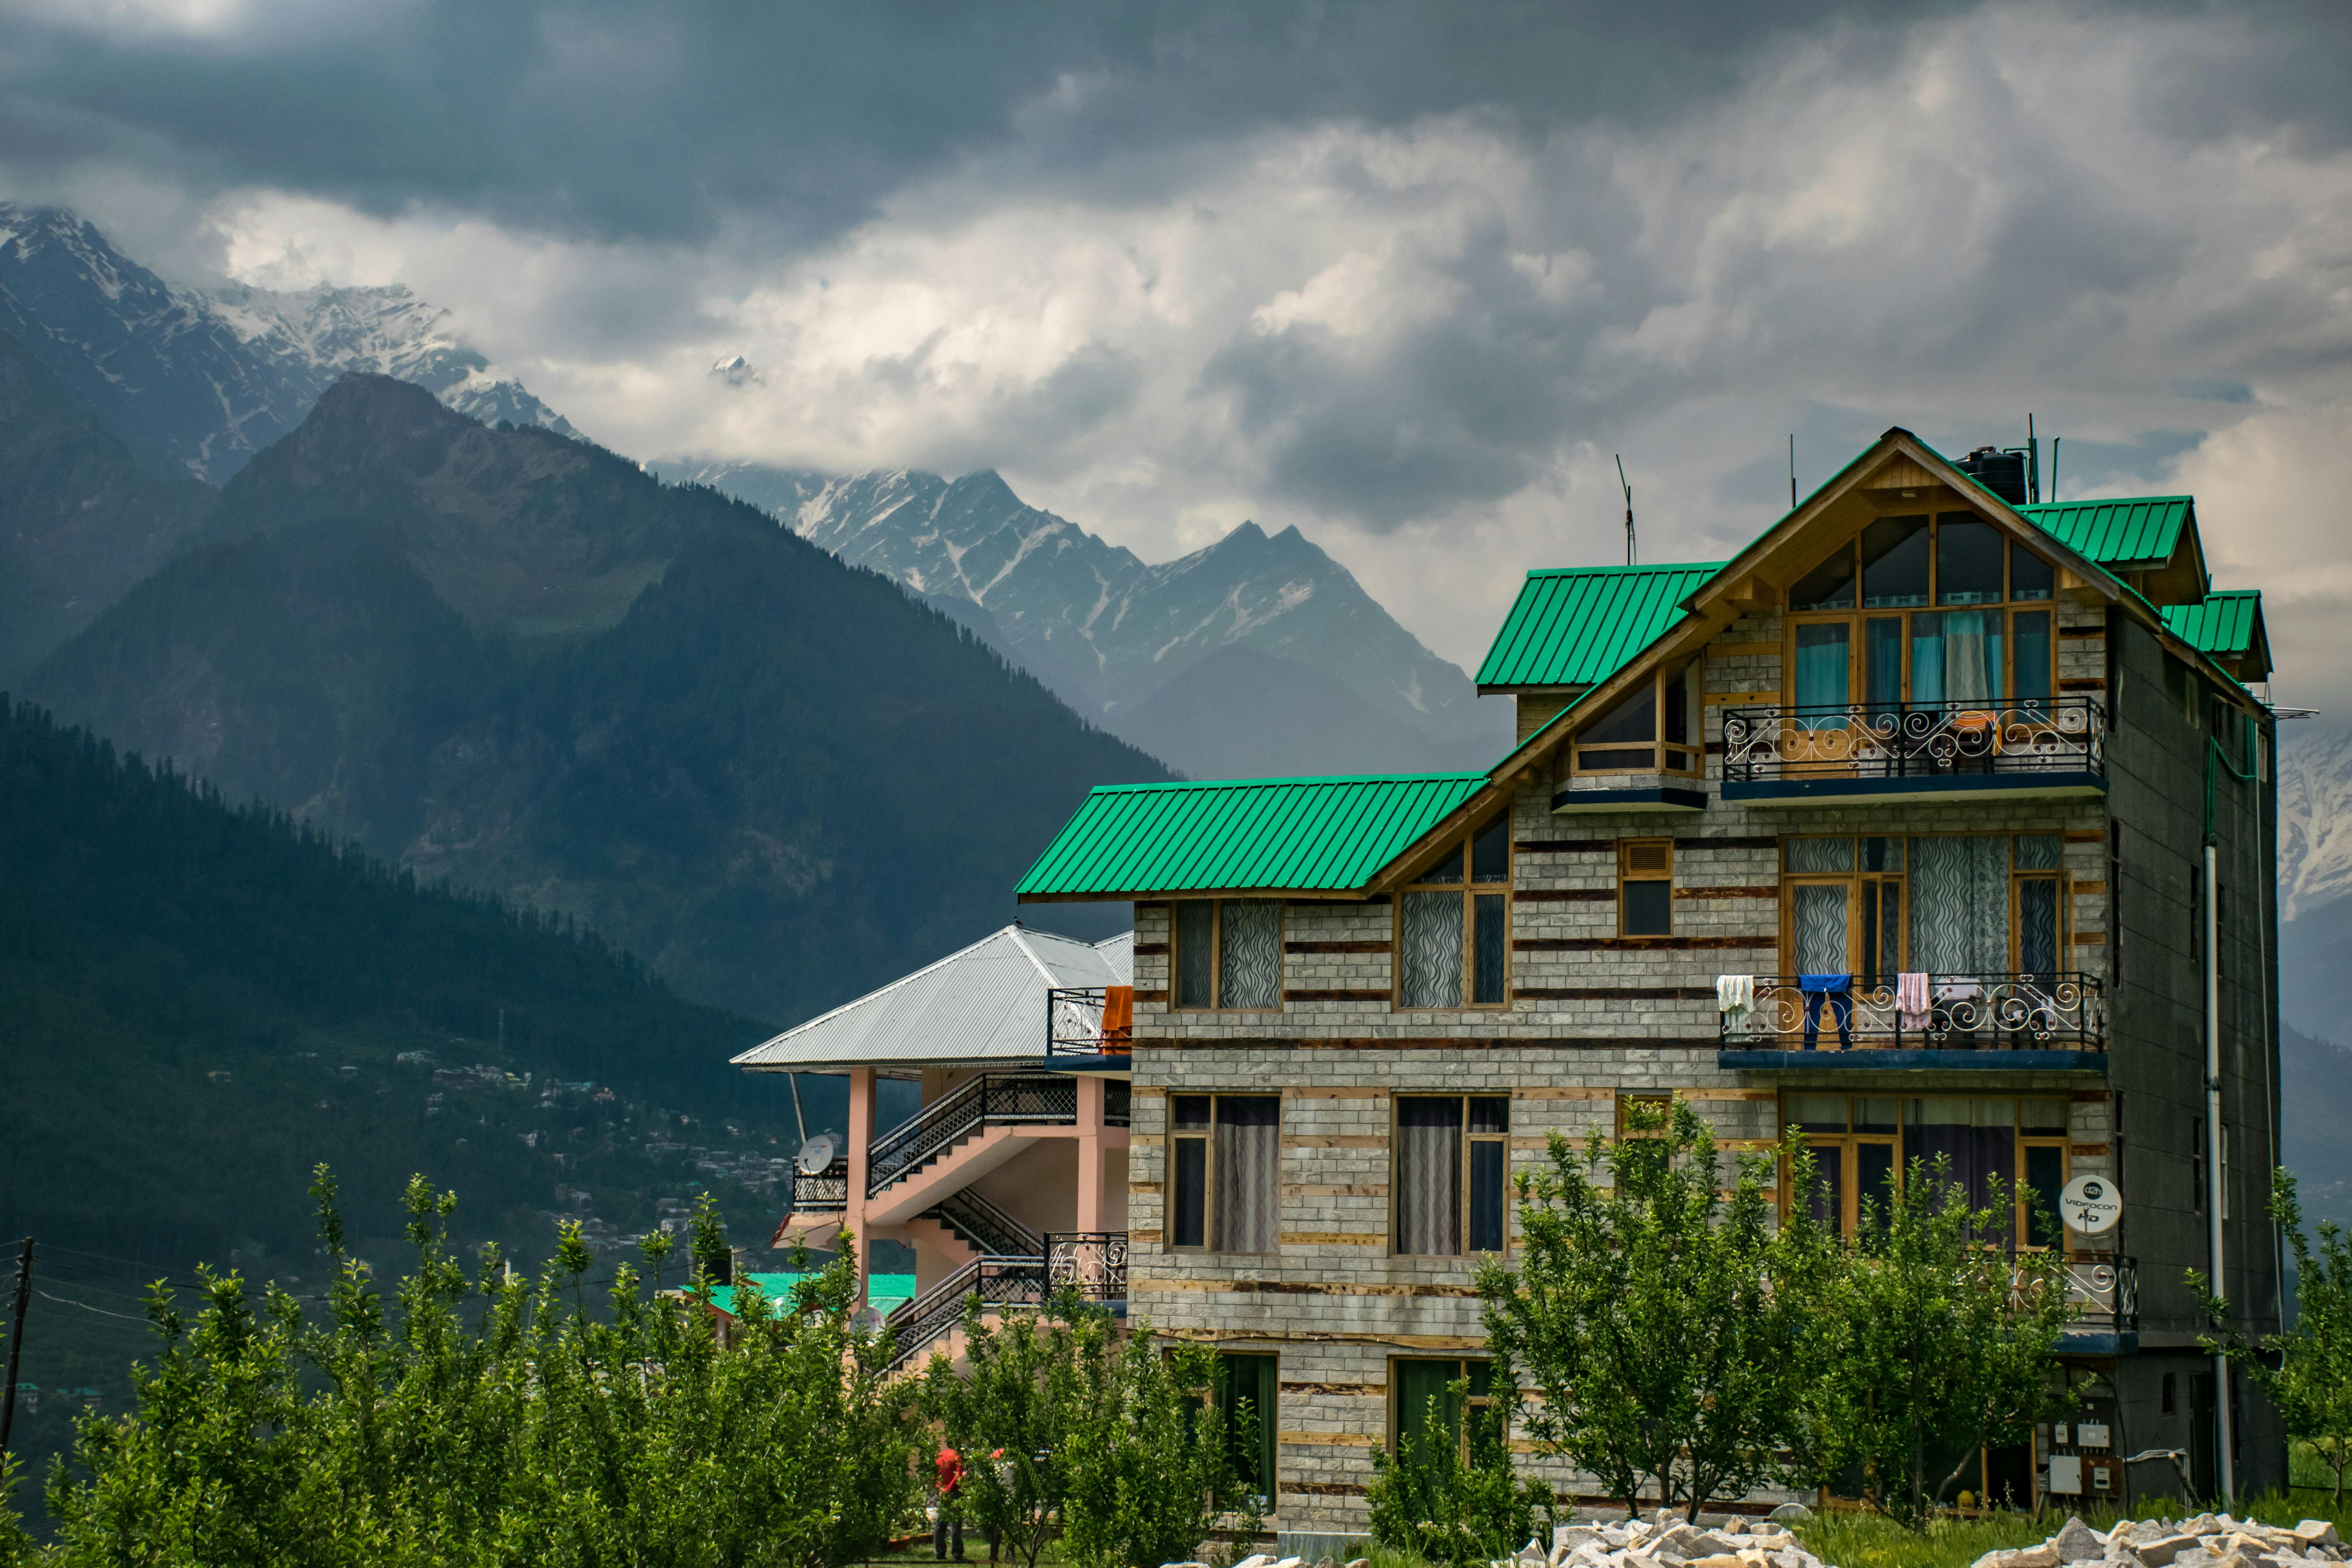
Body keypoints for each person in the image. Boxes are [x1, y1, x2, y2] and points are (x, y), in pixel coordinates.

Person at [933, 1445, 966, 1561]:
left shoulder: (939, 1457)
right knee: (956, 1524)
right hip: (955, 1492)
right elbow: (959, 1476)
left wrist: (940, 1489)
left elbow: (934, 1475)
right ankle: (957, 1554)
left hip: (943, 1493)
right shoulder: (957, 1457)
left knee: (940, 1524)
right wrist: (948, 1489)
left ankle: (940, 1554)